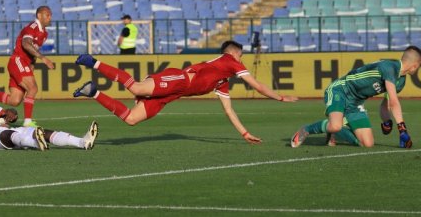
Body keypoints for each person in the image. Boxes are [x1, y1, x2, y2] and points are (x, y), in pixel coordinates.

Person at [73, 40, 298, 144]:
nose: (242, 61)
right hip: (178, 79)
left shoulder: (222, 81)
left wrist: (245, 133)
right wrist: (279, 97)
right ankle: (92, 62)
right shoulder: (230, 60)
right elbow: (257, 85)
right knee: (137, 87)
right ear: (234, 53)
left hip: (173, 94)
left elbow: (229, 111)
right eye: (241, 56)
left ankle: (93, 92)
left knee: (131, 119)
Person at [291, 46, 421, 148]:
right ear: (415, 65)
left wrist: (387, 121)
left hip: (356, 102)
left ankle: (335, 132)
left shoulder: (401, 81)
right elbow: (394, 101)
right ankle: (307, 129)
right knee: (335, 125)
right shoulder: (389, 67)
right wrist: (402, 130)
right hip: (340, 90)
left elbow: (386, 104)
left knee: (367, 143)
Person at [0, 76, 98, 151]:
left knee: (41, 131)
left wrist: (12, 113)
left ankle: (82, 142)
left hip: (5, 129)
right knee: (8, 135)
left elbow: (5, 113)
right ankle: (36, 143)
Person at [0, 6, 55, 127]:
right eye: (47, 14)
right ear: (39, 16)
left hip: (23, 63)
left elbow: (32, 50)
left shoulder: (44, 33)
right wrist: (43, 58)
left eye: (50, 15)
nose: (50, 17)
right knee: (33, 88)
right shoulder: (33, 27)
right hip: (18, 60)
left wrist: (32, 64)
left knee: (14, 100)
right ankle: (27, 122)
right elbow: (26, 44)